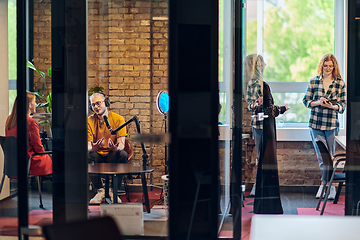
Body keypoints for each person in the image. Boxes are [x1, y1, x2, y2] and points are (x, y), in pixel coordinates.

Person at [246, 54, 289, 214]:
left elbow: (269, 109)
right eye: (258, 64)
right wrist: (256, 103)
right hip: (259, 125)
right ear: (253, 67)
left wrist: (281, 109)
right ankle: (260, 190)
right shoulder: (252, 84)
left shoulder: (264, 84)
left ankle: (262, 191)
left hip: (268, 125)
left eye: (262, 64)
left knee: (267, 159)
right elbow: (251, 106)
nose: (261, 66)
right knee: (261, 158)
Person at [302, 53, 346, 200]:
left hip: (331, 124)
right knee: (322, 157)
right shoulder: (314, 82)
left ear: (334, 67)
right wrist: (318, 103)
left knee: (331, 156)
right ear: (322, 66)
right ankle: (327, 185)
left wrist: (332, 106)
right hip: (315, 123)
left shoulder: (340, 83)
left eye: (330, 66)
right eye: (325, 65)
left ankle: (327, 185)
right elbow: (306, 101)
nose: (328, 68)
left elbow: (343, 106)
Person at [88, 92, 128, 203]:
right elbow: (87, 145)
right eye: (93, 105)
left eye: (98, 103)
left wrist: (116, 148)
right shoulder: (89, 120)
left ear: (106, 103)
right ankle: (100, 191)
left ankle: (113, 191)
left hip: (111, 154)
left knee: (122, 154)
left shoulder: (118, 119)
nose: (96, 107)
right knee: (87, 155)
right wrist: (93, 147)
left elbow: (121, 144)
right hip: (97, 154)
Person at [5, 92, 52, 176]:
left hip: (12, 163)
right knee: (52, 158)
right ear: (29, 105)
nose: (36, 104)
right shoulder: (31, 121)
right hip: (28, 161)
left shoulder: (10, 119)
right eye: (34, 102)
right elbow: (37, 146)